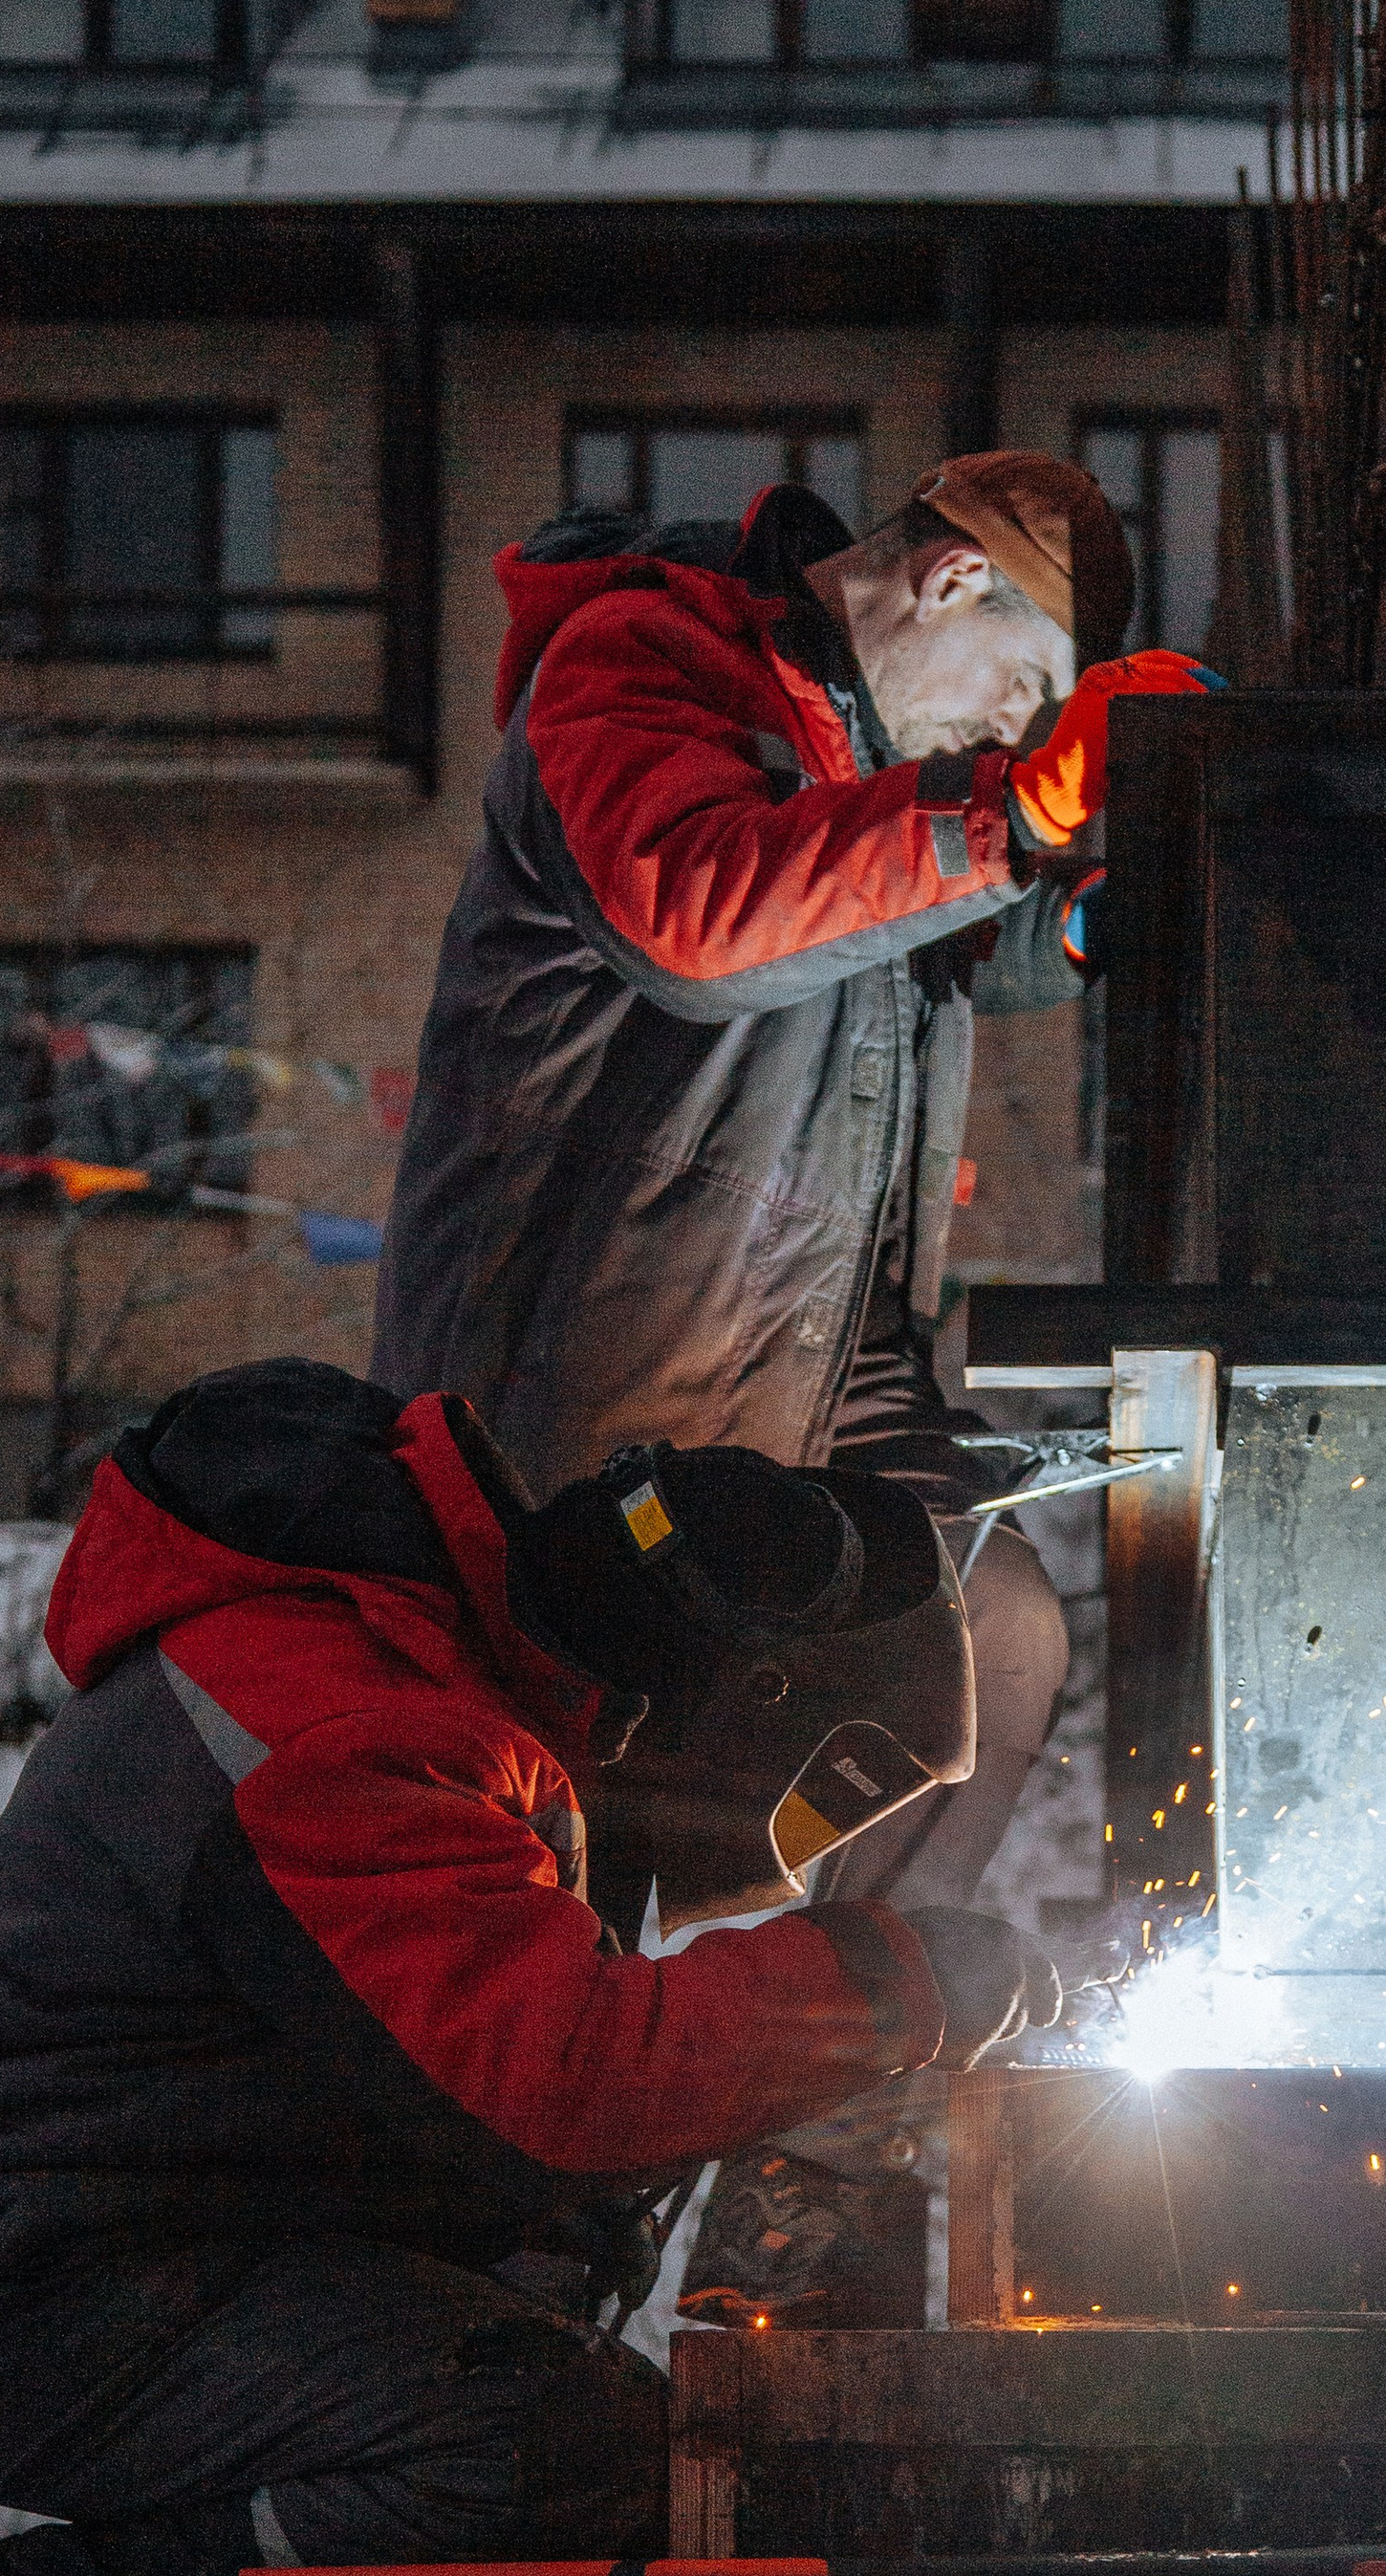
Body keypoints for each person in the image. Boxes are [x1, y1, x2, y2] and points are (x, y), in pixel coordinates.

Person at [0, 1356, 1057, 2576]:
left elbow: (492, 2106)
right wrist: (894, 1985)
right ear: (750, 1708)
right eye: (820, 1814)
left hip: (161, 2235)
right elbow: (556, 2088)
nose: (797, 1861)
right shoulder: (354, 1727)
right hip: (26, 2267)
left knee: (552, 2402)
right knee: (533, 2446)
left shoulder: (435, 1693)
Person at [369, 452, 1215, 2314]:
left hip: (797, 1407)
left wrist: (1102, 884)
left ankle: (800, 2163)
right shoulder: (634, 675)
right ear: (936, 592)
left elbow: (949, 937)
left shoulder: (853, 775)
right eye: (1015, 692)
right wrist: (1017, 817)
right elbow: (697, 908)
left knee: (994, 1643)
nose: (1006, 737)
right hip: (586, 1434)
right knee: (578, 1895)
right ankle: (526, 2295)